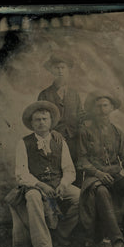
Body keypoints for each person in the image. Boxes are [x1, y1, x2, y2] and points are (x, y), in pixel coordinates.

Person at [5, 101, 80, 247]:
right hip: (35, 186)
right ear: (31, 124)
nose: (41, 122)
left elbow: (69, 170)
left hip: (57, 184)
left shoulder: (61, 142)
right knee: (32, 197)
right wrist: (40, 185)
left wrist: (63, 184)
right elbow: (21, 173)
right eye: (37, 120)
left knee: (80, 197)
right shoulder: (24, 143)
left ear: (51, 122)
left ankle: (61, 233)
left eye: (44, 119)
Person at [77, 90, 124, 247]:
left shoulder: (117, 132)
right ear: (93, 110)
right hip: (94, 178)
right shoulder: (85, 131)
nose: (102, 110)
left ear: (112, 108)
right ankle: (117, 241)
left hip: (115, 176)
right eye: (98, 106)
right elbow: (82, 160)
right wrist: (98, 173)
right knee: (101, 191)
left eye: (105, 106)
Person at [38, 52, 85, 187]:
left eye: (63, 67)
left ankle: (76, 203)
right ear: (52, 70)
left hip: (74, 138)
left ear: (68, 70)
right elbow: (40, 119)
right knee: (57, 171)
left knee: (77, 170)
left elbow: (80, 114)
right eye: (57, 68)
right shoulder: (44, 94)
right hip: (53, 139)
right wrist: (51, 131)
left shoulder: (74, 94)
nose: (60, 70)